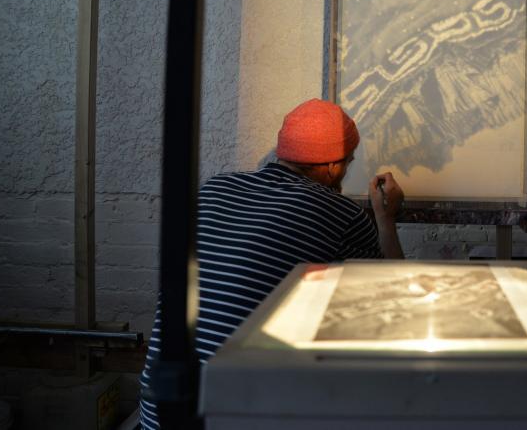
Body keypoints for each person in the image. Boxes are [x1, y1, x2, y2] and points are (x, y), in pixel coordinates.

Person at [139, 99, 404, 429]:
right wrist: (385, 218)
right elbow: (395, 303)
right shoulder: (341, 214)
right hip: (235, 417)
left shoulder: (212, 190)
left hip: (158, 411)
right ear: (333, 167)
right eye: (348, 163)